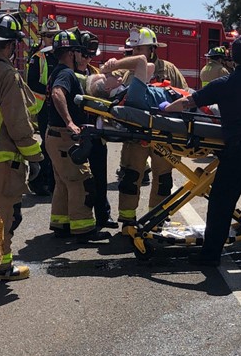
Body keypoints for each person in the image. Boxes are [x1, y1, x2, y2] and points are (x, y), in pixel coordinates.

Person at [162, 35, 241, 271]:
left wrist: (165, 111)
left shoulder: (223, 84)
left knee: (221, 206)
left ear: (232, 57)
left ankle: (211, 256)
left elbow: (189, 102)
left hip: (237, 153)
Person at [0, 14, 45, 281]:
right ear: (10, 45)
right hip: (2, 158)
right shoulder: (6, 74)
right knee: (3, 215)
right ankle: (0, 268)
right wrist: (34, 156)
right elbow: (17, 121)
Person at [117, 27, 188, 226]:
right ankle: (127, 220)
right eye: (134, 49)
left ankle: (157, 219)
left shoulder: (169, 70)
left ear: (152, 49)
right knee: (131, 177)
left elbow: (183, 95)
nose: (137, 53)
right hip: (136, 135)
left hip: (164, 136)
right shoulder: (129, 73)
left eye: (140, 49)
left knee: (163, 179)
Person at [44, 30, 108, 243]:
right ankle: (84, 230)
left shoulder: (56, 70)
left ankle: (61, 224)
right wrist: (70, 122)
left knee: (64, 182)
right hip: (63, 136)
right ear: (71, 53)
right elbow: (57, 93)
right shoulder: (66, 74)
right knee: (81, 180)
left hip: (53, 136)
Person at [75, 30, 116, 228]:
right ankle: (80, 220)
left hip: (97, 133)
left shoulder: (95, 74)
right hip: (77, 134)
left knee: (100, 177)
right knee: (79, 181)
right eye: (84, 54)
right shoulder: (69, 75)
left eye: (91, 55)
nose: (87, 59)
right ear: (75, 52)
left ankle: (103, 216)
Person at [25, 17, 63, 197]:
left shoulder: (61, 56)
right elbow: (31, 82)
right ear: (42, 37)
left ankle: (51, 181)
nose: (51, 39)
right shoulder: (37, 58)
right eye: (47, 36)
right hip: (43, 108)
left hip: (58, 106)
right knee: (47, 146)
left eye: (54, 35)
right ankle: (39, 181)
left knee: (55, 146)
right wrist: (50, 91)